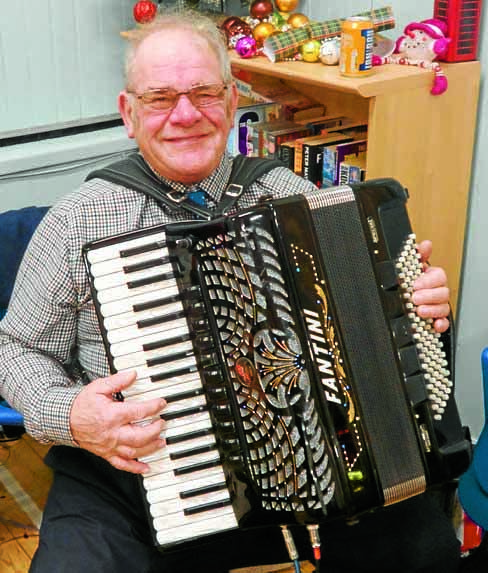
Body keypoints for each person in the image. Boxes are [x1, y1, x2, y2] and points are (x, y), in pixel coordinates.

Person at [0, 10, 458, 573]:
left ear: (232, 97)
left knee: (420, 550)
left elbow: (367, 330)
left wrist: (413, 307)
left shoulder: (295, 200)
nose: (185, 115)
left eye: (203, 93)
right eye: (161, 97)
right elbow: (16, 348)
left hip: (300, 466)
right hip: (130, 467)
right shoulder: (78, 220)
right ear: (128, 112)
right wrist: (73, 414)